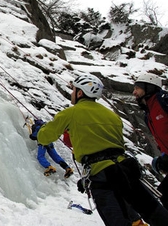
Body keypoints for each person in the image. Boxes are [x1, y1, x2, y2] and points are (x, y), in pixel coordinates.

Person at [37, 73, 168, 226]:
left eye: (74, 90)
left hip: (102, 174)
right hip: (125, 169)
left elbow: (44, 137)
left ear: (80, 93)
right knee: (152, 212)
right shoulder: (112, 116)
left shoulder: (71, 113)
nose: (72, 93)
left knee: (117, 219)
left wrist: (42, 127)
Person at [133, 73, 168, 209]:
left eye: (137, 88)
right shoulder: (148, 114)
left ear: (149, 87)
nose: (134, 92)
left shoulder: (163, 100)